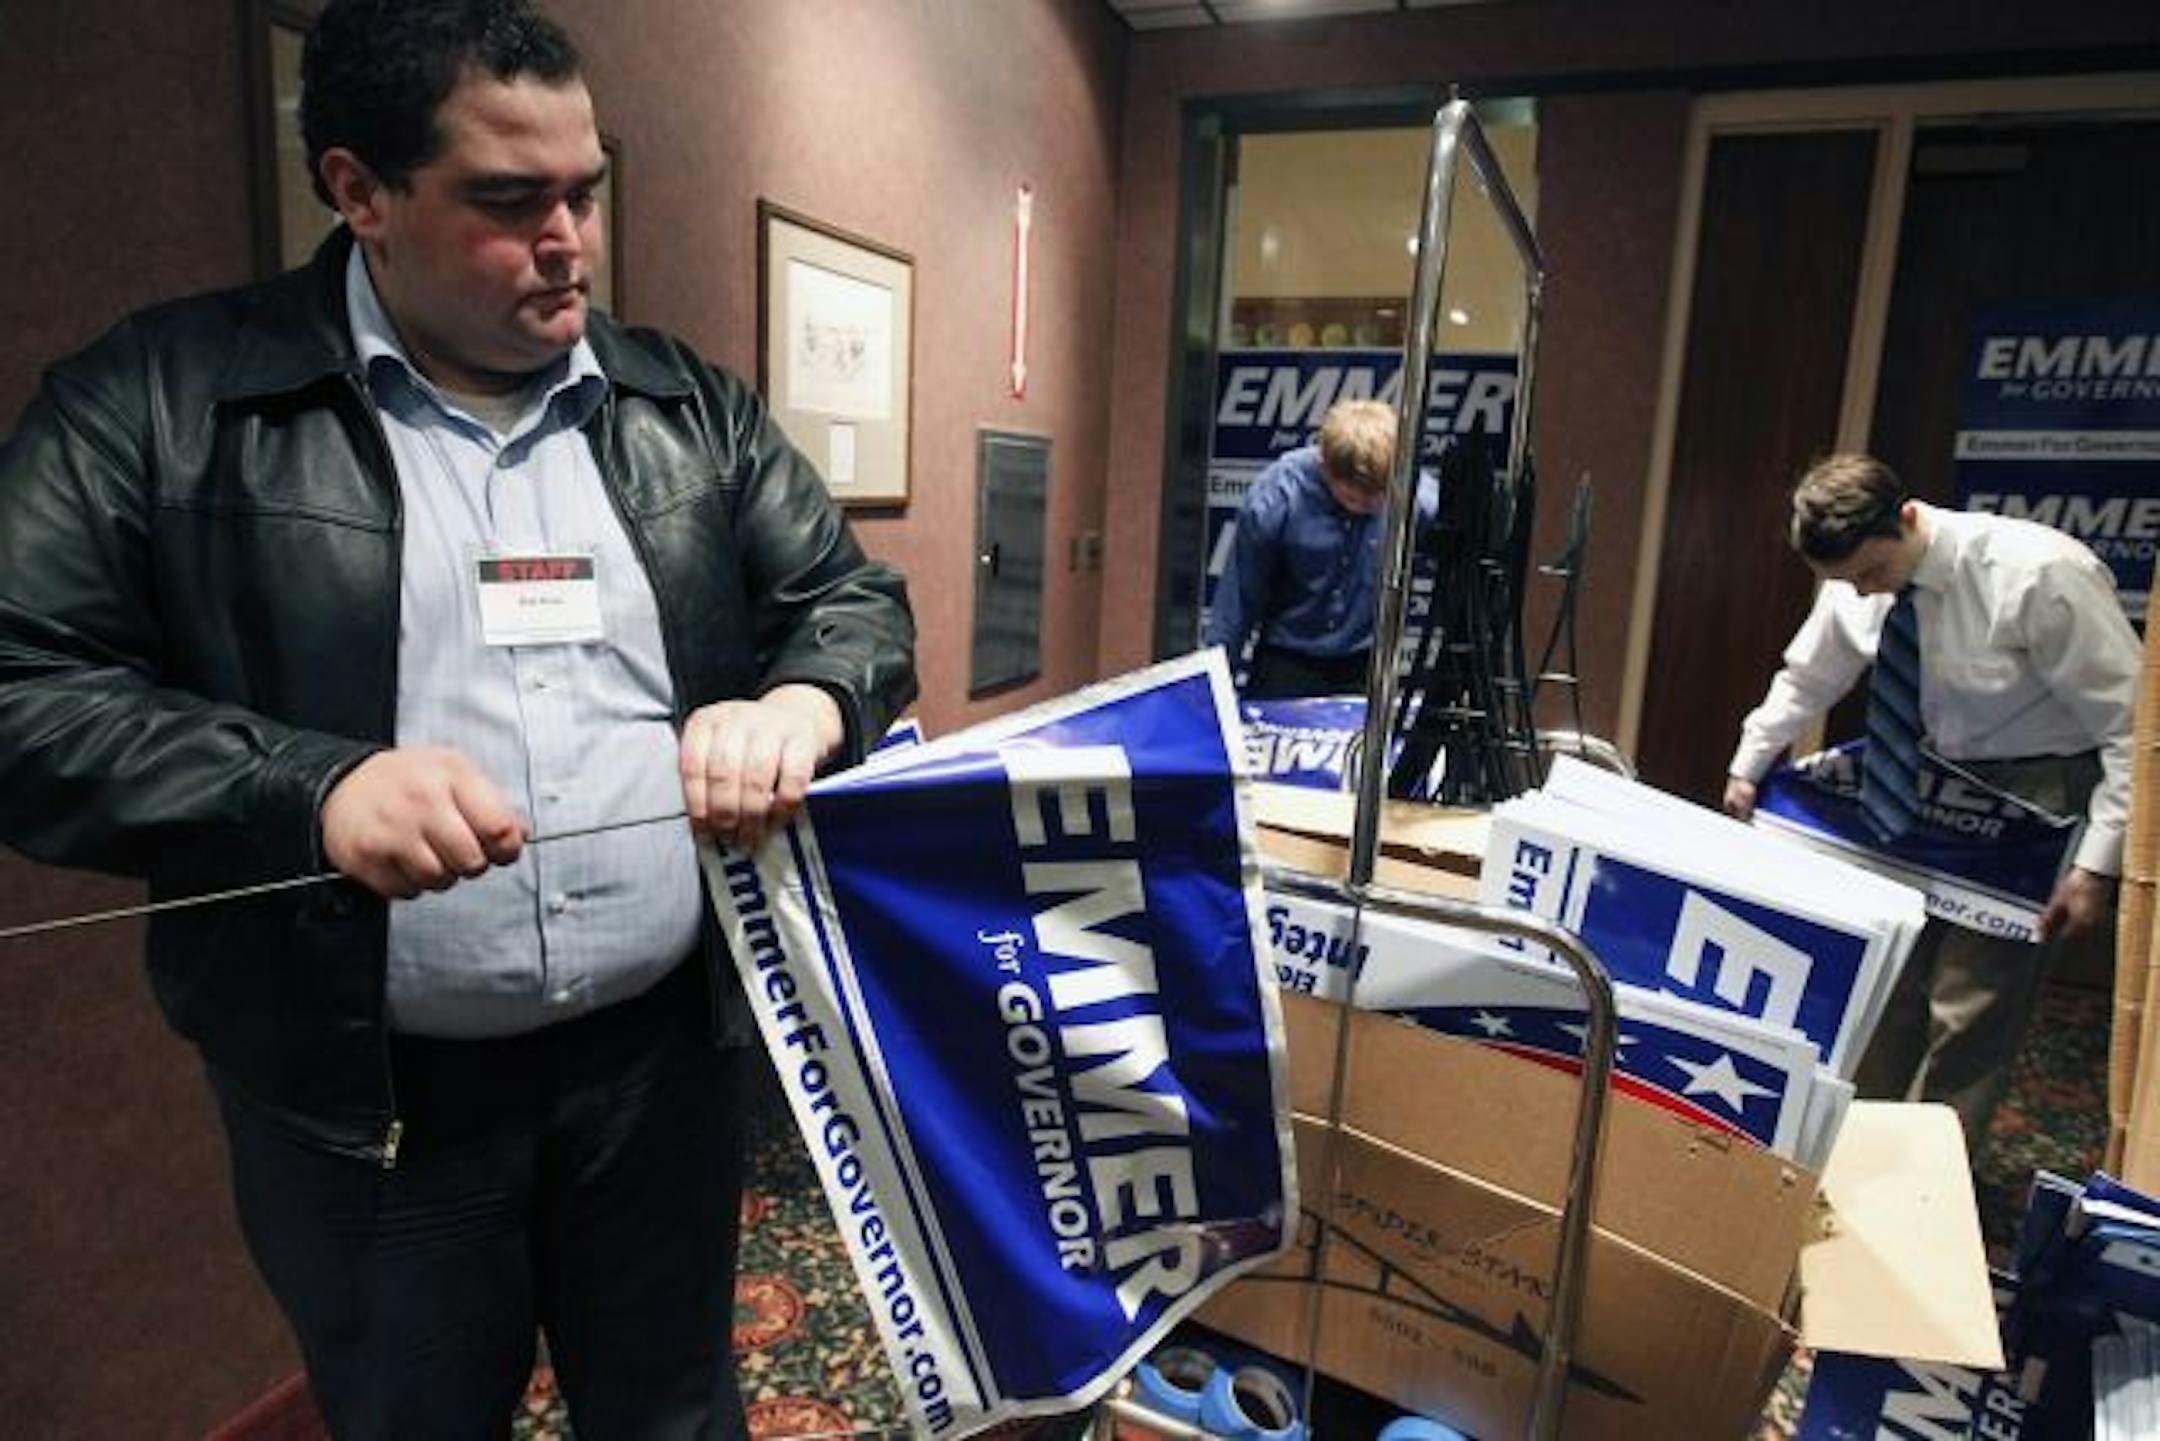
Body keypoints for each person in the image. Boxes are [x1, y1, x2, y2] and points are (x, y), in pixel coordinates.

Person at [0, 1, 915, 1435]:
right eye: (510, 200)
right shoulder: (162, 401)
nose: (572, 243)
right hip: (370, 1112)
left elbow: (850, 603)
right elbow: (21, 692)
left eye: (586, 192)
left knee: (674, 1413)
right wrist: (302, 789)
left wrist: (807, 697)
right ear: (359, 190)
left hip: (661, 1066)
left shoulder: (691, 406)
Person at [1723, 453, 2136, 1153]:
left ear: (1907, 518)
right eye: (1844, 583)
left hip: (2031, 798)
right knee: (1887, 984)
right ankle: (1859, 1155)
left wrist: (2096, 866)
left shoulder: (2038, 575)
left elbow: (2131, 728)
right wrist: (1748, 765)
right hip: (1914, 781)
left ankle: (1930, 1178)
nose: (1859, 594)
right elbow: (1808, 677)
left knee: (1969, 1008)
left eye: (1871, 575)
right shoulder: (1858, 577)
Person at [1205, 398, 1437, 698]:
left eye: (1381, 493)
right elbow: (1237, 604)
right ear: (1327, 468)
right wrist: (1212, 696)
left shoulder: (1420, 500)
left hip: (1366, 661)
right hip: (1287, 656)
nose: (1372, 503)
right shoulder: (1276, 497)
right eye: (1358, 495)